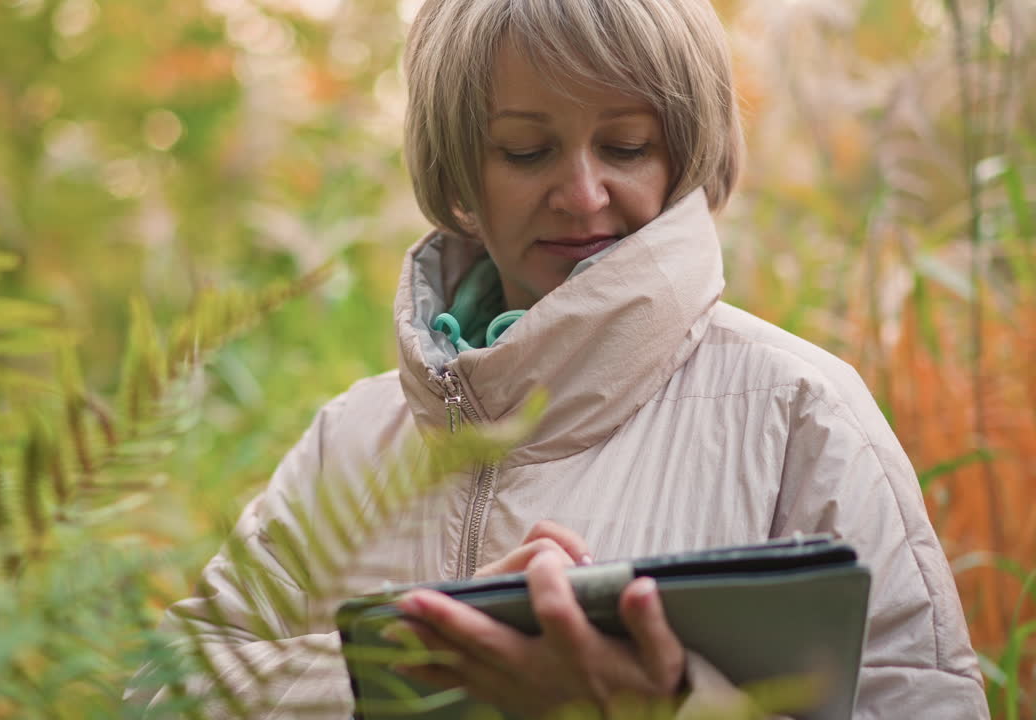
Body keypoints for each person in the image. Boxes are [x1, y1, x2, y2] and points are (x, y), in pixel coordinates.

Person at [126, 0, 987, 717]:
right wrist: (415, 669)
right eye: (526, 150)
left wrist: (673, 706)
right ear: (461, 172)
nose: (582, 194)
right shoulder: (348, 441)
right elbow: (160, 696)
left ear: (685, 154)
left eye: (625, 145)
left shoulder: (800, 409)